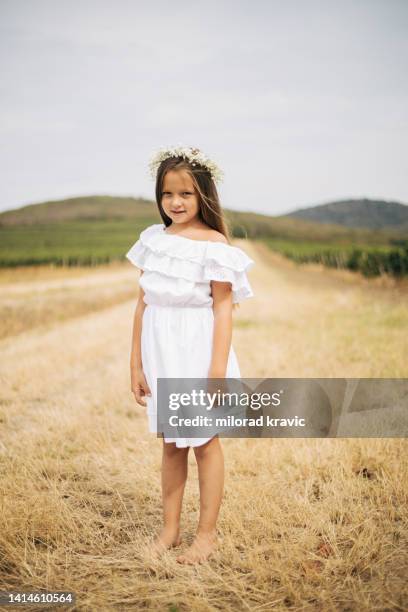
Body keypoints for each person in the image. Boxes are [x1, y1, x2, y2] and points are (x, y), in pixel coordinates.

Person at [126, 144, 255, 564]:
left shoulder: (214, 244)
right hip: (160, 348)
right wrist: (136, 362)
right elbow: (143, 303)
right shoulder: (154, 240)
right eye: (167, 194)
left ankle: (207, 535)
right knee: (171, 444)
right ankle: (169, 531)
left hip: (199, 352)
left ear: (203, 195)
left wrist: (217, 369)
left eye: (185, 193)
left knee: (205, 443)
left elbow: (222, 308)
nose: (175, 202)